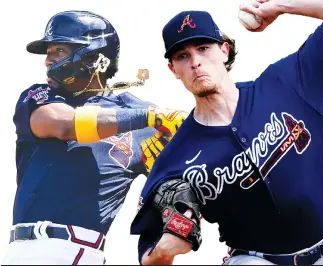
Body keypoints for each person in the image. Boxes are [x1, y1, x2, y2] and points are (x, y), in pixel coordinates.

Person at [129, 0, 323, 264]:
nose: (196, 62)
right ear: (173, 70)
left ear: (224, 50)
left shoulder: (289, 82)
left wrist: (280, 6)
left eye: (203, 48)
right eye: (182, 56)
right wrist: (164, 250)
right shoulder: (174, 159)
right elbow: (147, 254)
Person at [4, 10, 187, 265]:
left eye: (59, 50)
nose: (48, 61)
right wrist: (150, 117)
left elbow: (174, 190)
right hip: (19, 251)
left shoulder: (140, 119)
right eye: (48, 52)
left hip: (79, 250)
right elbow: (63, 125)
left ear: (95, 56)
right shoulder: (38, 97)